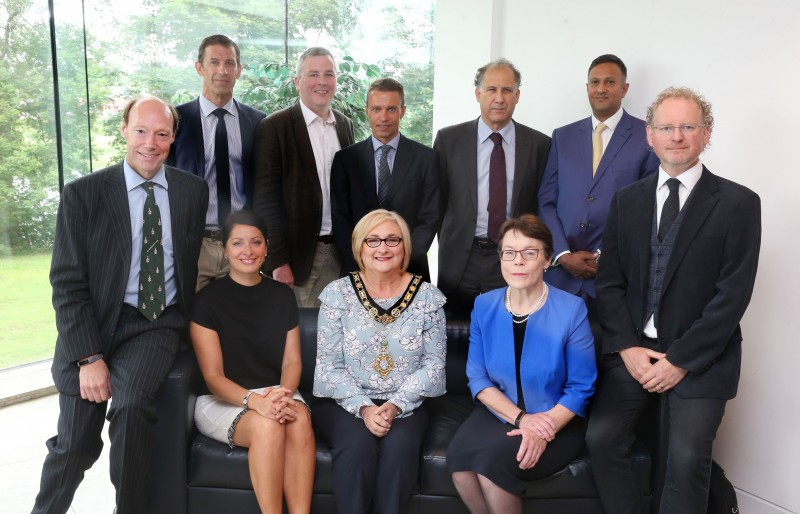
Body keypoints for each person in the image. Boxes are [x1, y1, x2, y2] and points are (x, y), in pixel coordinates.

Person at [586, 87, 761, 513]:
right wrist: (627, 347)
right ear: (650, 135)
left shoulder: (739, 203)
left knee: (686, 461)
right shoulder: (627, 201)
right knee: (602, 439)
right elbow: (609, 285)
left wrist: (679, 360)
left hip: (702, 360)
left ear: (706, 134)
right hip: (634, 354)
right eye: (666, 127)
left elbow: (731, 298)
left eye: (688, 126)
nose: (676, 136)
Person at [32, 95, 208, 514]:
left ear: (172, 139)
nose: (151, 142)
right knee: (75, 445)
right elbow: (67, 284)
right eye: (142, 131)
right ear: (124, 131)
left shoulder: (191, 192)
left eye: (162, 134)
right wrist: (89, 357)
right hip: (92, 325)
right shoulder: (83, 194)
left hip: (153, 323)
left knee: (131, 410)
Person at [447, 214, 596, 514]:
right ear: (500, 258)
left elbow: (581, 387)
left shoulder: (571, 310)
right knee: (459, 463)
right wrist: (521, 420)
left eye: (530, 253)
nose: (518, 262)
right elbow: (477, 378)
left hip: (558, 419)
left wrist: (543, 427)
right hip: (500, 411)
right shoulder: (484, 305)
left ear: (547, 259)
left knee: (492, 466)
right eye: (510, 253)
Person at [313, 209, 447, 514]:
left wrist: (395, 405)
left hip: (406, 403)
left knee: (400, 449)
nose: (383, 248)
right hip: (343, 402)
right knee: (357, 446)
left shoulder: (428, 297)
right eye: (372, 240)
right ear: (359, 247)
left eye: (391, 240)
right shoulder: (337, 294)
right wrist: (365, 407)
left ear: (405, 247)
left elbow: (434, 366)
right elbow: (327, 367)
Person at [190, 210, 314, 514]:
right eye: (238, 243)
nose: (248, 251)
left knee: (299, 420)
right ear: (224, 249)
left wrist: (282, 395)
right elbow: (213, 377)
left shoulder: (282, 296)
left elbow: (292, 362)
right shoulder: (206, 301)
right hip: (223, 398)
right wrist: (254, 401)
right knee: (268, 427)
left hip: (275, 391)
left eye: (256, 242)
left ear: (267, 246)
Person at [538, 54, 658, 344]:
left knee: (608, 360)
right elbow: (546, 201)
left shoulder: (648, 136)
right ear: (587, 87)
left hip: (614, 277)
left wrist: (604, 254)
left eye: (610, 82)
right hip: (559, 277)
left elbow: (648, 207)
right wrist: (563, 254)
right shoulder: (562, 136)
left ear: (624, 88)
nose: (601, 88)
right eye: (595, 82)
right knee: (553, 357)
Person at [434, 58, 550, 315]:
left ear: (517, 96)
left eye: (507, 90)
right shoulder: (448, 140)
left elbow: (544, 206)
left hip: (514, 259)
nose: (499, 98)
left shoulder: (540, 145)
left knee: (510, 334)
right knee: (454, 340)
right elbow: (437, 204)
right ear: (478, 94)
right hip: (460, 260)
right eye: (491, 89)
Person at [252, 47, 355, 307]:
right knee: (298, 338)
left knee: (335, 334)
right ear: (297, 82)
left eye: (329, 74)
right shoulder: (275, 127)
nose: (322, 81)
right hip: (297, 258)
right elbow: (266, 201)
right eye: (313, 74)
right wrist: (278, 261)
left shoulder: (344, 125)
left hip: (340, 252)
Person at [168, 34, 266, 291]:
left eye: (230, 63)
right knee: (192, 322)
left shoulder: (258, 122)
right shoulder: (176, 120)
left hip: (241, 244)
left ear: (239, 70)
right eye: (214, 62)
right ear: (199, 67)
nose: (222, 70)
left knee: (240, 323)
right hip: (194, 243)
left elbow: (266, 186)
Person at [331, 77, 439, 281]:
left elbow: (430, 217)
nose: (383, 117)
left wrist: (403, 259)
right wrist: (362, 261)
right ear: (367, 111)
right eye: (376, 109)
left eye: (391, 109)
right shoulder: (346, 159)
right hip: (358, 269)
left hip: (410, 269)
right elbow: (340, 218)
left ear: (403, 111)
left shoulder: (426, 158)